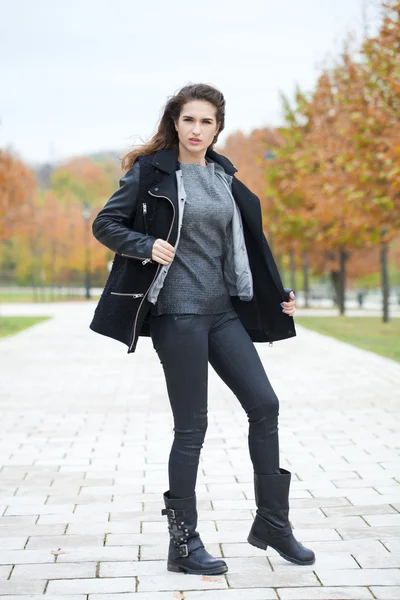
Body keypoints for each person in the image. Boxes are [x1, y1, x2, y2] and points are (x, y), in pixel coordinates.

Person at [90, 83, 315, 576]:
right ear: (175, 122)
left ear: (217, 127)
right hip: (177, 315)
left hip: (222, 312)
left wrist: (278, 294)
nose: (196, 130)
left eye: (206, 122)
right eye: (189, 120)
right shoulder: (151, 173)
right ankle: (183, 543)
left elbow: (250, 245)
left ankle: (273, 524)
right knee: (193, 427)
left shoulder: (222, 175)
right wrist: (144, 244)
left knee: (265, 404)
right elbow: (105, 224)